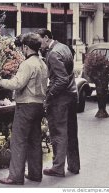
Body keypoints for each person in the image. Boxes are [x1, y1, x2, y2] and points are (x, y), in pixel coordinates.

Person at [0, 32, 48, 185]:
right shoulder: (42, 63)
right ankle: (35, 174)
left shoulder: (27, 64)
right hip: (39, 105)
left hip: (26, 106)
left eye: (22, 47)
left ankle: (15, 176)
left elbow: (17, 84)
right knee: (35, 140)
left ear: (26, 47)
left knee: (18, 141)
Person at [35, 28, 80, 177]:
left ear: (46, 38)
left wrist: (49, 96)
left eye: (39, 40)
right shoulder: (64, 47)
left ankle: (58, 168)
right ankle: (74, 166)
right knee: (71, 132)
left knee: (58, 132)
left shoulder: (53, 54)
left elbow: (61, 80)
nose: (38, 44)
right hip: (72, 95)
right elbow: (68, 75)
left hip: (61, 99)